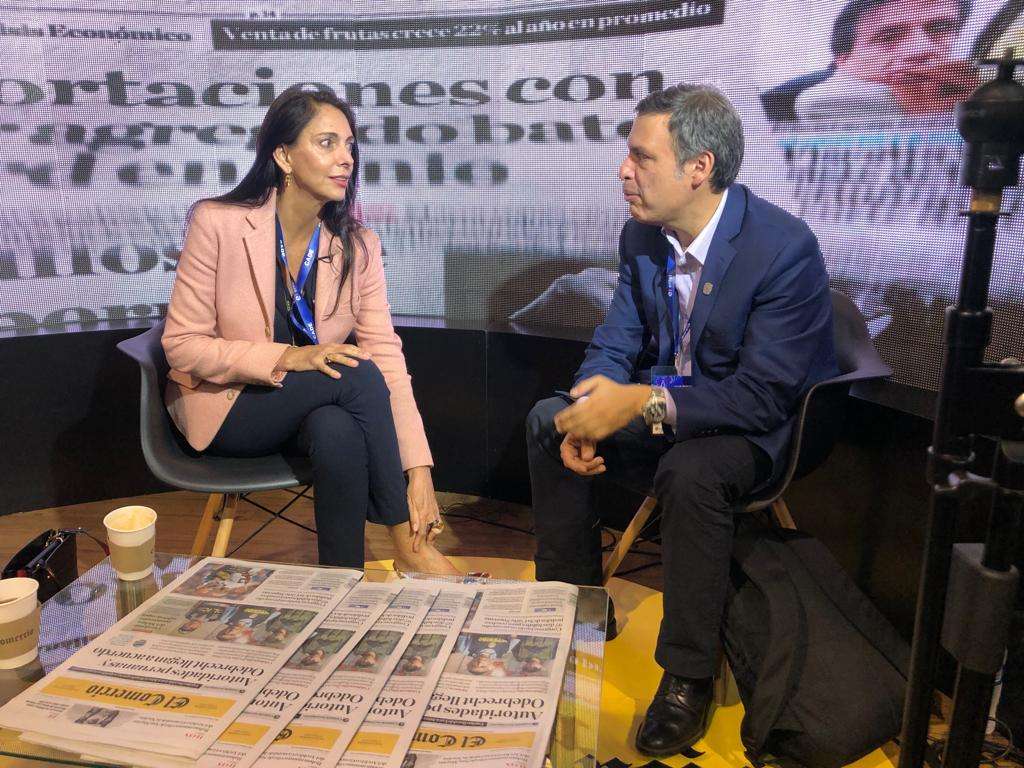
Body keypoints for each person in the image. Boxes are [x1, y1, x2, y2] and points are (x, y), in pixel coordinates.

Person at [526, 84, 838, 756]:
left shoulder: (783, 248)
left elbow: (760, 397)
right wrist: (588, 405)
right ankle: (575, 605)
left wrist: (639, 402)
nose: (623, 170)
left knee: (693, 471)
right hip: (672, 403)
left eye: (642, 157)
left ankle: (688, 676)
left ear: (699, 167)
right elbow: (615, 342)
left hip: (753, 430)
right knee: (550, 420)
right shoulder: (641, 235)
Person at [162, 85, 458, 574]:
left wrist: (420, 470)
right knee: (355, 372)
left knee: (337, 428)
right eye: (327, 143)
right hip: (229, 406)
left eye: (350, 146)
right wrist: (288, 357)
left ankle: (340, 586)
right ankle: (405, 541)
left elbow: (387, 355)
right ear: (283, 156)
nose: (346, 159)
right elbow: (182, 346)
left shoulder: (359, 245)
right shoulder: (217, 223)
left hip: (308, 411)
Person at [761, 0, 975, 121]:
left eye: (941, 28)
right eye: (888, 37)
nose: (921, 49)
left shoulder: (972, 90)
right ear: (843, 60)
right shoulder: (777, 108)